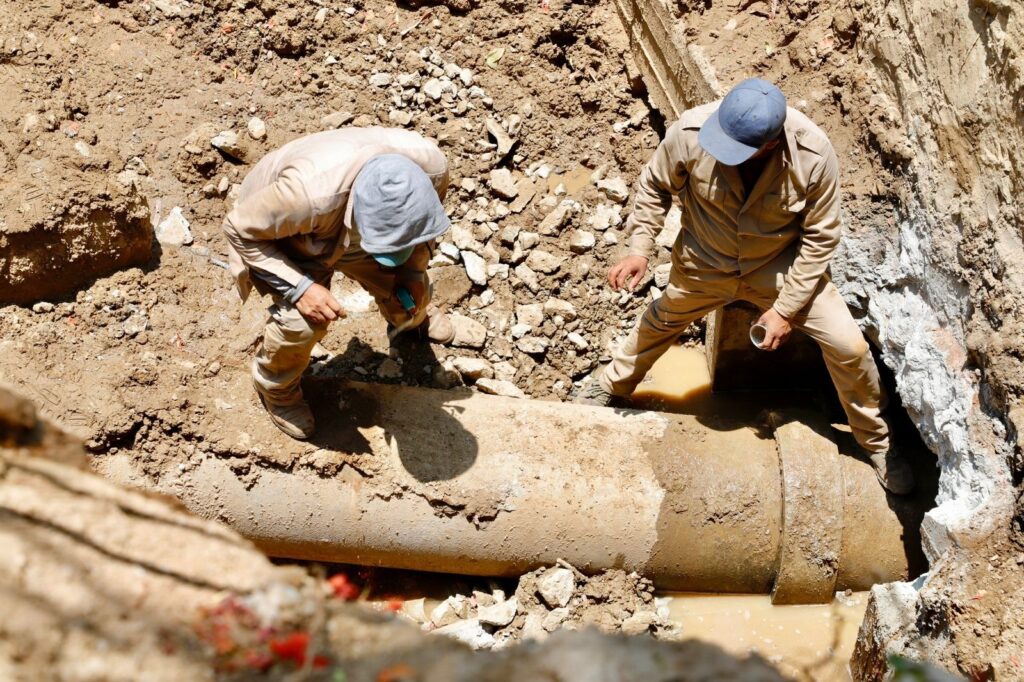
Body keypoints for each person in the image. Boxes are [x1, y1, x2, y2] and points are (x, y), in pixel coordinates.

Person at [575, 78, 914, 494]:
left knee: (849, 347)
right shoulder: (690, 132)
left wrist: (786, 308)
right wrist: (639, 249)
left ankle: (878, 443)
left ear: (770, 145)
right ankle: (611, 384)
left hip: (778, 269)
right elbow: (654, 187)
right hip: (706, 259)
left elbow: (821, 237)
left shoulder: (812, 153)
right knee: (664, 318)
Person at [223, 127, 468, 440]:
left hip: (347, 222)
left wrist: (411, 271)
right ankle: (275, 385)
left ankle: (412, 323)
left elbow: (421, 231)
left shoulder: (431, 171)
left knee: (410, 293)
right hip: (288, 233)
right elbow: (238, 229)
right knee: (302, 322)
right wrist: (301, 289)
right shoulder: (304, 197)